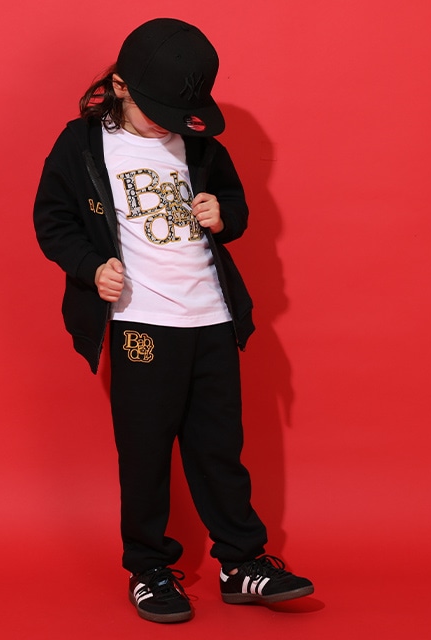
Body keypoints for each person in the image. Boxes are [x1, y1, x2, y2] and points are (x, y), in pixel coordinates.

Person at [33, 18, 314, 624]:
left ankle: (242, 563)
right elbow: (52, 220)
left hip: (211, 318)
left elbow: (235, 204)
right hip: (141, 323)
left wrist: (223, 214)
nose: (168, 123)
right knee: (145, 451)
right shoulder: (82, 144)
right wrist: (90, 268)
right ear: (119, 86)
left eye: (179, 112)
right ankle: (150, 568)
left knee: (220, 449)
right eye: (156, 110)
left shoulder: (199, 143)